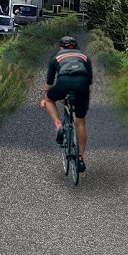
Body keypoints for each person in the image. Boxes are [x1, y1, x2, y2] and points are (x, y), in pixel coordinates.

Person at [42, 34, 92, 173]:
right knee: (80, 122)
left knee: (49, 99)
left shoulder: (56, 58)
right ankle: (80, 157)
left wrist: (44, 98)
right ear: (76, 47)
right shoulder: (85, 57)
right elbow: (89, 80)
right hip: (82, 85)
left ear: (60, 47)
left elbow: (48, 85)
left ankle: (58, 125)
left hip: (63, 82)